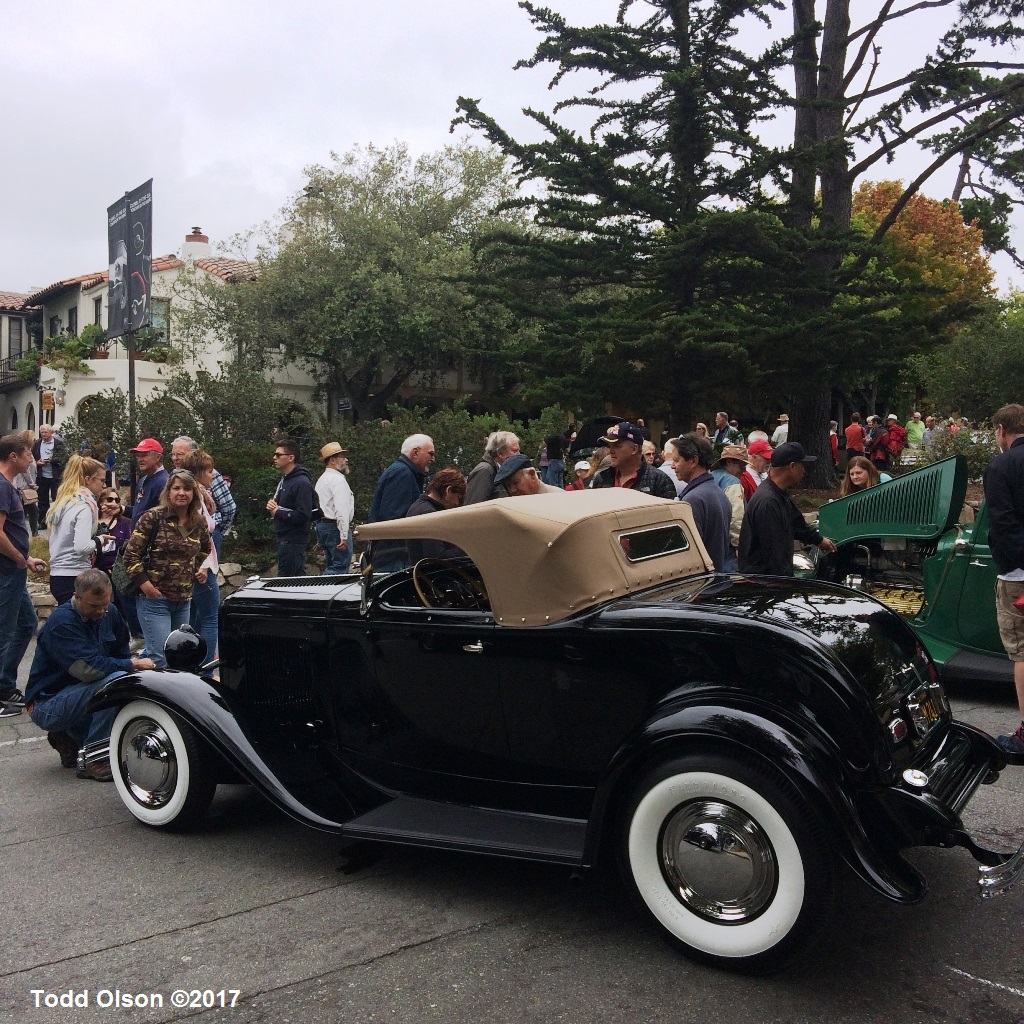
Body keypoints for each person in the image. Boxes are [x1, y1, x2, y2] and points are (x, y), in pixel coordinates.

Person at [26, 569, 156, 779]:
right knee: (114, 684)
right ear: (76, 597)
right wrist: (133, 664)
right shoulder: (62, 623)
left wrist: (129, 666)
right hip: (46, 704)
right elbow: (88, 671)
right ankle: (95, 759)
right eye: (94, 606)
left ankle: (69, 738)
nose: (101, 611)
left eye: (105, 603)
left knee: (123, 680)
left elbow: (120, 653)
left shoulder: (110, 613)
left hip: (78, 694)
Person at [126, 469, 211, 668]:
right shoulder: (153, 518)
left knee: (180, 656)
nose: (182, 493)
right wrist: (146, 586)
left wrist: (190, 571)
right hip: (154, 599)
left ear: (194, 493)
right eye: (176, 488)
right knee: (160, 658)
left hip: (183, 599)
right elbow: (131, 555)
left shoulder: (198, 522)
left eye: (187, 489)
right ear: (168, 492)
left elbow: (205, 548)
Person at [982, 404, 1024, 756]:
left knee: (1023, 653)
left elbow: (1004, 524)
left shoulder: (1001, 465)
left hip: (1019, 575)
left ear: (1000, 430)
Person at [0, 434, 47, 717]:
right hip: (7, 571)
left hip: (14, 568)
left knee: (27, 622)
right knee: (4, 632)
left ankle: (5, 684)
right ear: (13, 456)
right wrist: (18, 558)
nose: (32, 459)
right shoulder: (2, 487)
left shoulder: (8, 485)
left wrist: (26, 557)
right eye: (28, 454)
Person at [738, 442, 837, 577]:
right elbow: (775, 552)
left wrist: (819, 540)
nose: (804, 470)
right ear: (792, 466)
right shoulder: (768, 501)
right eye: (802, 465)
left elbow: (797, 523)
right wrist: (785, 584)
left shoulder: (779, 493)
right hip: (764, 581)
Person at [46, 455, 106, 605]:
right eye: (102, 480)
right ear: (88, 479)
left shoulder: (65, 501)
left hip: (57, 574)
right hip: (74, 574)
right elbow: (81, 547)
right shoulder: (84, 506)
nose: (104, 486)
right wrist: (100, 540)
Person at [369, 433, 434, 571]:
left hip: (393, 555)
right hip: (394, 558)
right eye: (431, 453)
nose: (433, 459)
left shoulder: (403, 472)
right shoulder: (402, 474)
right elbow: (394, 518)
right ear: (415, 452)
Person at [671, 433, 732, 572]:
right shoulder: (717, 492)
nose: (673, 466)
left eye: (676, 460)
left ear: (693, 461)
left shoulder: (693, 499)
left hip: (701, 586)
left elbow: (688, 554)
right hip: (716, 579)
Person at [181, 450, 221, 659]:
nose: (213, 475)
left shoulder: (200, 495)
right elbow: (194, 533)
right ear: (199, 473)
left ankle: (193, 661)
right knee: (211, 617)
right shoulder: (195, 499)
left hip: (198, 563)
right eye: (209, 470)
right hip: (202, 566)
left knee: (194, 617)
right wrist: (202, 564)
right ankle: (205, 668)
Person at [590, 422, 677, 498]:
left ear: (634, 449)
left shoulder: (659, 480)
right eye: (610, 446)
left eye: (617, 445)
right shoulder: (601, 479)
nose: (611, 451)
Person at [267, 439, 314, 577]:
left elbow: (304, 515)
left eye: (278, 455)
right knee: (297, 581)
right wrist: (274, 507)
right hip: (284, 537)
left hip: (293, 539)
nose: (274, 458)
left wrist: (277, 511)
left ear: (291, 458)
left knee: (286, 582)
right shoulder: (286, 479)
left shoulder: (302, 482)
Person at [405, 467, 468, 562]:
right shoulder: (429, 514)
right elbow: (437, 558)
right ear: (448, 491)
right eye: (457, 497)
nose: (456, 502)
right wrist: (466, 548)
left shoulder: (417, 507)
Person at [315, 441, 355, 574]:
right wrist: (343, 535)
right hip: (335, 528)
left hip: (323, 526)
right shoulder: (338, 480)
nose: (346, 459)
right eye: (342, 457)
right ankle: (322, 592)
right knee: (339, 568)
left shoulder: (322, 479)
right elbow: (341, 509)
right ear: (332, 460)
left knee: (333, 564)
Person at [710, 444, 747, 571]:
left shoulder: (710, 476)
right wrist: (738, 546)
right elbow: (736, 518)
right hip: (727, 550)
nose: (744, 471)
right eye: (742, 466)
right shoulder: (733, 483)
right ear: (730, 462)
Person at [465, 431, 520, 504]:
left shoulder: (501, 470)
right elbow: (474, 507)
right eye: (515, 451)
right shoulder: (484, 471)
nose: (519, 455)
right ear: (500, 453)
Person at [128, 438, 169, 527]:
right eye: (138, 456)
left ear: (158, 457)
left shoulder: (164, 482)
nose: (140, 459)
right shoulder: (143, 480)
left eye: (144, 455)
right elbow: (139, 512)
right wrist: (121, 509)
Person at [33, 423, 67, 523]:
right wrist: (37, 463)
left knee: (56, 498)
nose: (43, 434)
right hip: (42, 476)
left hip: (55, 476)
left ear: (51, 432)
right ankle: (43, 521)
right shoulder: (37, 444)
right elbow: (33, 457)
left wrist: (51, 460)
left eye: (46, 432)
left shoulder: (58, 443)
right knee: (42, 500)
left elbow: (63, 458)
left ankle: (57, 520)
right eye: (42, 432)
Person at [493, 454, 562, 496]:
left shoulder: (558, 498)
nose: (512, 490)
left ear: (532, 475)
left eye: (516, 482)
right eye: (508, 486)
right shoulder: (513, 508)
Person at [15, 430, 39, 536]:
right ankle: (33, 534)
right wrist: (33, 485)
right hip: (25, 486)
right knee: (32, 511)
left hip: (26, 485)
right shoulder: (25, 452)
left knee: (29, 511)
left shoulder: (28, 451)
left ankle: (33, 533)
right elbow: (27, 472)